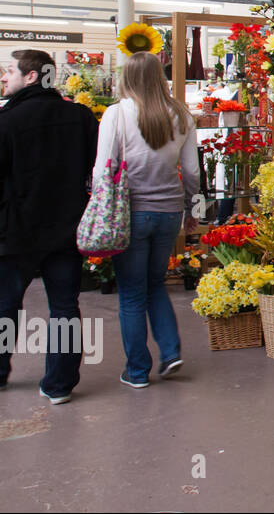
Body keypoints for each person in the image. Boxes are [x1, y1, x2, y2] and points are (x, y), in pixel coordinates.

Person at [0, 49, 98, 403]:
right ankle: (59, 384)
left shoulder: (7, 121)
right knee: (65, 307)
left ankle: (0, 371)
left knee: (5, 304)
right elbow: (94, 170)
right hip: (67, 229)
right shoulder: (82, 118)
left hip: (16, 232)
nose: (4, 76)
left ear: (30, 77)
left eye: (10, 71)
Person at [96, 52, 200, 389]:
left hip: (130, 213)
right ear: (160, 76)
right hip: (170, 212)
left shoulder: (116, 114)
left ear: (127, 77)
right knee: (155, 283)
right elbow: (193, 172)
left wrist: (99, 207)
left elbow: (103, 168)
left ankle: (137, 371)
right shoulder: (181, 115)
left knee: (130, 292)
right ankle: (170, 353)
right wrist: (193, 212)